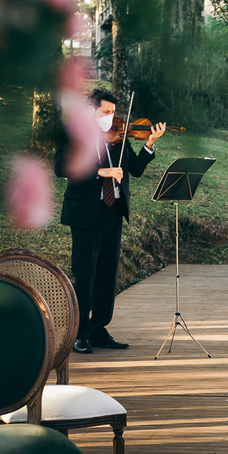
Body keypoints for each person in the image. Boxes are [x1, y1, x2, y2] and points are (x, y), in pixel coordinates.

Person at [55, 89, 165, 354]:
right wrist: (99, 171)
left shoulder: (118, 136)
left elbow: (135, 170)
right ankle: (79, 334)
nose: (111, 118)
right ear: (91, 111)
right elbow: (61, 167)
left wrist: (149, 144)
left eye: (113, 112)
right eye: (105, 112)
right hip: (85, 214)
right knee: (85, 275)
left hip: (113, 211)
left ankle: (99, 329)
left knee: (107, 274)